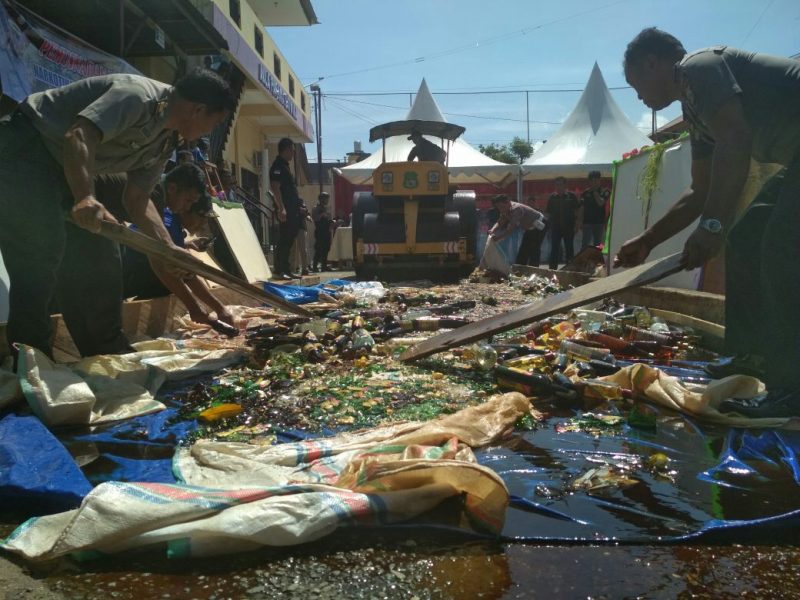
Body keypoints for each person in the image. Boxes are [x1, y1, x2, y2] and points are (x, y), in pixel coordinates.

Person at [617, 28, 800, 417]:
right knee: (748, 237)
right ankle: (751, 356)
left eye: (636, 85)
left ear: (653, 63)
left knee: (781, 248)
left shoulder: (699, 67)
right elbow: (700, 190)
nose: (639, 97)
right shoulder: (694, 110)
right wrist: (648, 240)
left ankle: (792, 389)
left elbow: (735, 139)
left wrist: (712, 227)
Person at [0, 67, 234, 358]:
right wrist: (85, 196)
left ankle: (105, 351)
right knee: (40, 250)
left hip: (68, 166)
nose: (210, 131)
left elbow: (137, 198)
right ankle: (32, 361)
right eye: (215, 122)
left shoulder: (166, 140)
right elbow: (78, 135)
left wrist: (167, 248)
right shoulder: (135, 96)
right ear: (198, 110)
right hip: (26, 147)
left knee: (99, 251)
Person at [105, 165, 234, 329]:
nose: (203, 224)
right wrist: (206, 308)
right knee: (172, 277)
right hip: (120, 274)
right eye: (188, 202)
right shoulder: (165, 214)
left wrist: (186, 245)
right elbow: (181, 270)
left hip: (120, 270)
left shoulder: (167, 215)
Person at [269, 137, 302, 280]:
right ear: (286, 149)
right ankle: (279, 270)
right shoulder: (278, 166)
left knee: (289, 240)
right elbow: (275, 188)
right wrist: (281, 208)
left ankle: (286, 269)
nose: (293, 153)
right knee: (284, 239)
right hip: (285, 209)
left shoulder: (285, 166)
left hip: (293, 210)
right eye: (292, 150)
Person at [546, 177, 579, 269]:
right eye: (556, 184)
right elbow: (548, 213)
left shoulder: (571, 196)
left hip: (568, 227)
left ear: (565, 185)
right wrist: (548, 227)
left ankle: (570, 268)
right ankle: (552, 269)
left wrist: (577, 224)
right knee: (554, 249)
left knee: (569, 248)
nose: (558, 186)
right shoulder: (552, 197)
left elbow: (577, 210)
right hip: (555, 227)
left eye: (560, 184)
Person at [579, 170, 610, 248]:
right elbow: (582, 208)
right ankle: (584, 259)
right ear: (589, 181)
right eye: (592, 180)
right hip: (587, 222)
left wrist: (594, 192)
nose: (594, 183)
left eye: (596, 180)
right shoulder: (585, 193)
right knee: (585, 243)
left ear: (600, 180)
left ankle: (597, 259)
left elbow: (601, 203)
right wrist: (579, 221)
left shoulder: (605, 191)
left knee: (598, 244)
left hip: (599, 222)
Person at [516, 197, 547, 267]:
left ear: (534, 203)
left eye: (532, 202)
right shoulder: (525, 211)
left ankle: (534, 266)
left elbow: (543, 224)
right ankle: (520, 266)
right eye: (529, 202)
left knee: (535, 249)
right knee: (524, 248)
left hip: (537, 231)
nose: (530, 204)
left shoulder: (538, 212)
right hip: (528, 231)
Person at [312, 192, 334, 272]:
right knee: (319, 249)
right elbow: (315, 218)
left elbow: (328, 219)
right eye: (326, 198)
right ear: (321, 199)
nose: (327, 200)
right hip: (320, 231)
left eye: (327, 198)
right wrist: (322, 215)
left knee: (326, 249)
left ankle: (324, 266)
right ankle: (314, 266)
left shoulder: (325, 208)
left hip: (326, 231)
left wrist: (332, 222)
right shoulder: (316, 208)